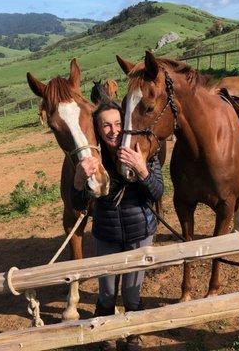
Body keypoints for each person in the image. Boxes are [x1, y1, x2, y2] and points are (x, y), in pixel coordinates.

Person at [70, 100, 164, 351]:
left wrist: (142, 169)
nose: (113, 131)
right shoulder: (93, 159)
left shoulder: (143, 149)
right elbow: (78, 203)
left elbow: (157, 193)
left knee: (132, 292)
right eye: (106, 126)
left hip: (139, 233)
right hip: (107, 234)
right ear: (98, 130)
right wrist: (79, 179)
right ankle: (107, 335)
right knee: (107, 293)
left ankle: (133, 334)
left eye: (118, 124)